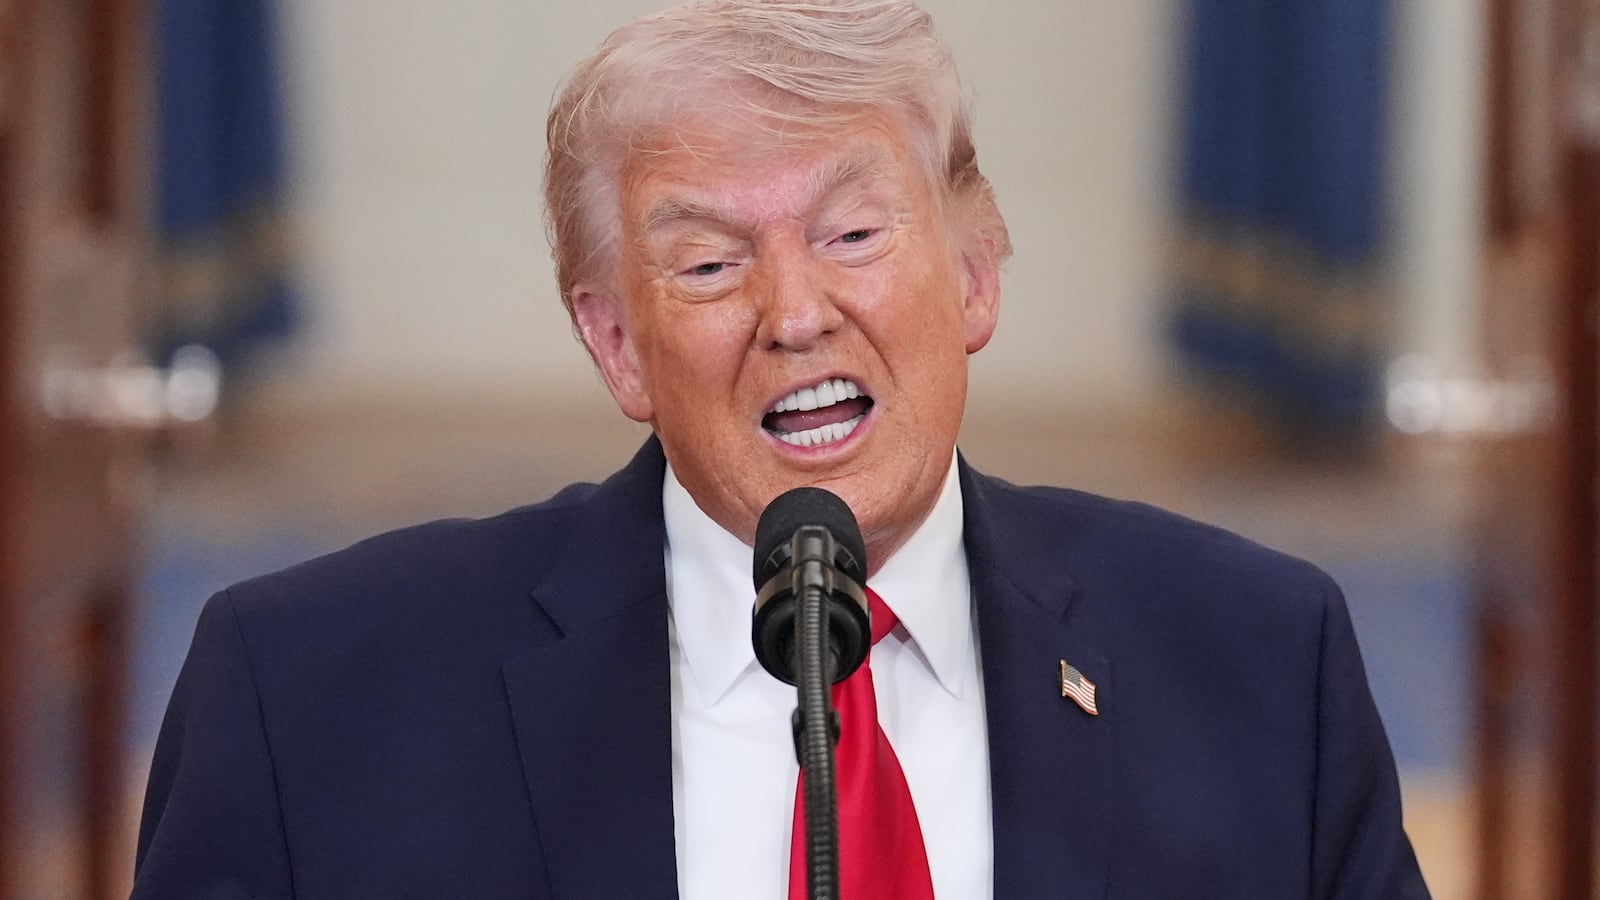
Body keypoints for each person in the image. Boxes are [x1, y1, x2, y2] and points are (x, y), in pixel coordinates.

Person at [131, 1, 1432, 897]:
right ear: (618, 345)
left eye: (856, 235)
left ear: (976, 275)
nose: (797, 312)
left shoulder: (1264, 667)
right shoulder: (308, 701)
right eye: (708, 261)